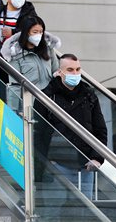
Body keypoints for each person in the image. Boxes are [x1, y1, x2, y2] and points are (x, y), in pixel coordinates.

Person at [40, 54, 107, 194]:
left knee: (87, 210)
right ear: (59, 72)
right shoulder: (46, 96)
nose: (75, 73)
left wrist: (97, 158)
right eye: (70, 70)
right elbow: (38, 133)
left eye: (78, 69)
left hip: (86, 165)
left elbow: (100, 130)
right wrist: (44, 163)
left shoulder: (89, 95)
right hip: (56, 164)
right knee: (55, 211)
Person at [1, 15, 61, 113]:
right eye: (35, 32)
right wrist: (13, 111)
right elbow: (15, 85)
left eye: (41, 32)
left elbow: (56, 71)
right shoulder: (15, 54)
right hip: (30, 105)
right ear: (26, 33)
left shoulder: (48, 48)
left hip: (50, 102)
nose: (39, 35)